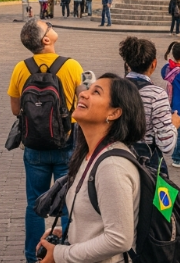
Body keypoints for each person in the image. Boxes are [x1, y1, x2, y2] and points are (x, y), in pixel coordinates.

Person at [35, 74, 145, 263]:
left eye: (96, 92)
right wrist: (72, 233)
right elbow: (98, 221)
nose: (84, 94)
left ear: (114, 113)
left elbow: (119, 239)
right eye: (88, 89)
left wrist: (60, 255)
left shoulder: (112, 167)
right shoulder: (90, 156)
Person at [8, 19, 84, 263]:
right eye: (48, 25)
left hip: (34, 146)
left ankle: (34, 256)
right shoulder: (71, 66)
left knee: (34, 204)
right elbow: (82, 108)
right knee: (68, 203)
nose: (52, 26)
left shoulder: (22, 68)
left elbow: (15, 109)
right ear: (46, 40)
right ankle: (66, 254)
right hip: (66, 144)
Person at [119, 37, 180, 175]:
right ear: (154, 64)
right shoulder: (156, 95)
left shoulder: (114, 88)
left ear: (128, 63)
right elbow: (166, 145)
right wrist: (173, 125)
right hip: (146, 168)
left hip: (118, 161)